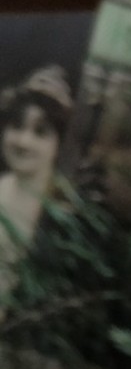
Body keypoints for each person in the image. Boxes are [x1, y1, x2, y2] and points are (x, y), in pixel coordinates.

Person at [0, 66, 72, 291]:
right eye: (17, 126)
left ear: (59, 144)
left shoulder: (62, 210)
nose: (23, 141)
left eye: (40, 132)